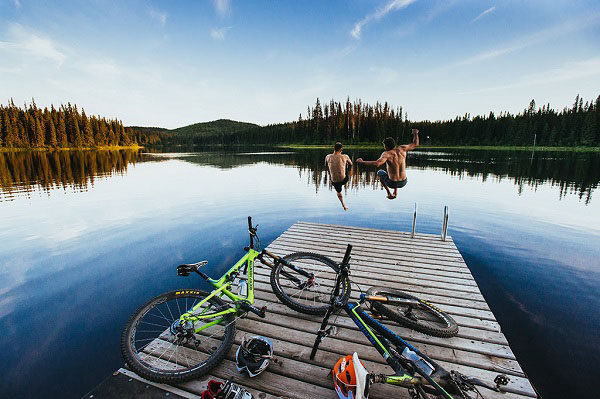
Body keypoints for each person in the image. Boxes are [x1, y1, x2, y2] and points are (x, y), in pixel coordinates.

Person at [356, 129, 419, 199]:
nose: (384, 147)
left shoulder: (386, 154)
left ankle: (389, 193)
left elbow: (377, 163)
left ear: (387, 146)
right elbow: (415, 144)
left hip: (392, 183)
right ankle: (395, 191)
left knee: (380, 172)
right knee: (393, 172)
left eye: (384, 146)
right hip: (403, 182)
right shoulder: (402, 148)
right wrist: (415, 134)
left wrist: (362, 162)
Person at [325, 142, 353, 210]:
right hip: (344, 179)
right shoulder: (345, 156)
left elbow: (326, 166)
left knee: (339, 192)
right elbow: (351, 164)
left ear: (334, 149)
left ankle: (344, 205)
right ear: (341, 149)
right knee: (347, 165)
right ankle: (343, 171)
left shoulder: (327, 156)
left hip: (334, 181)